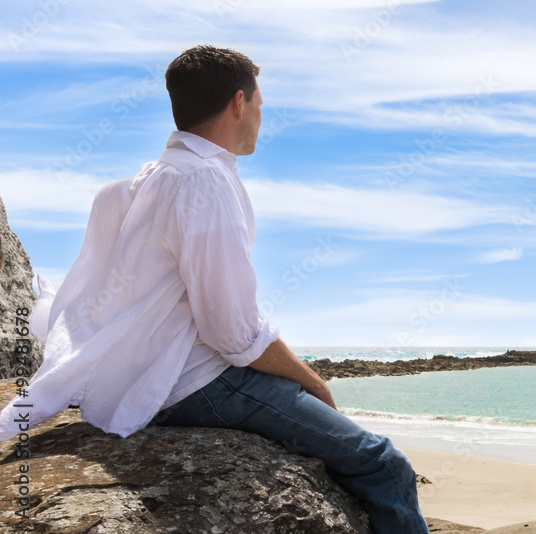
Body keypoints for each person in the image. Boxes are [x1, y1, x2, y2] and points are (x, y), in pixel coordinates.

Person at [0, 45, 429, 533]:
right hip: (193, 382)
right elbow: (231, 332)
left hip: (137, 379)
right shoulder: (204, 182)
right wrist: (311, 379)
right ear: (239, 103)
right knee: (384, 463)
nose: (261, 119)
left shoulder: (139, 181)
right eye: (262, 106)